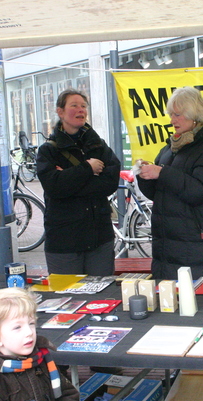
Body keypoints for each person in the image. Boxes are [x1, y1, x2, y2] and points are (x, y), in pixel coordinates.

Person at [137, 86, 203, 280]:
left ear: (193, 115)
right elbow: (158, 194)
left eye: (177, 115)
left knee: (199, 306)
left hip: (196, 249)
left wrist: (162, 173)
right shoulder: (170, 148)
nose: (172, 121)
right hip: (166, 249)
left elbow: (200, 192)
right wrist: (144, 175)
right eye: (171, 115)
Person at [36, 89, 120, 276]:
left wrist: (69, 179)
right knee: (66, 297)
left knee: (102, 298)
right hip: (64, 242)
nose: (80, 110)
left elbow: (110, 183)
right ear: (60, 112)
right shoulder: (48, 151)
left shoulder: (99, 145)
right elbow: (54, 188)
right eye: (74, 105)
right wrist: (87, 169)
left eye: (83, 106)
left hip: (100, 239)